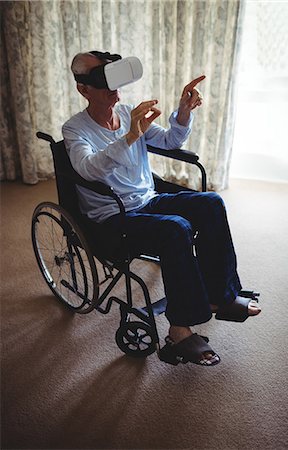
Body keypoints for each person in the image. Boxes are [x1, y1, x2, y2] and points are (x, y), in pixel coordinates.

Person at [62, 51, 261, 366]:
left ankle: (219, 296)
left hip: (147, 199)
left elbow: (170, 141)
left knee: (211, 202)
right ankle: (179, 332)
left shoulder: (127, 112)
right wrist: (129, 137)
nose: (115, 90)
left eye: (115, 81)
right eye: (103, 84)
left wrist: (182, 112)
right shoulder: (75, 129)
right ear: (83, 89)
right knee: (175, 228)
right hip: (113, 217)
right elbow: (88, 170)